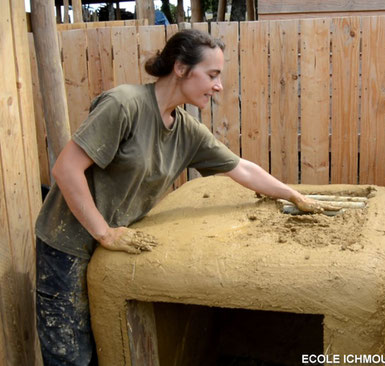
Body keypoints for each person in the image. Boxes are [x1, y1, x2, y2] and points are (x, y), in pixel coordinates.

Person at [35, 29, 334, 365]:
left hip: (113, 242)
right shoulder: (124, 105)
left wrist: (295, 195)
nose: (218, 86)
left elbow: (242, 169)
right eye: (212, 75)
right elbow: (66, 169)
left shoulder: (186, 131)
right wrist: (104, 233)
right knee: (70, 355)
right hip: (68, 246)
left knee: (107, 348)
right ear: (180, 68)